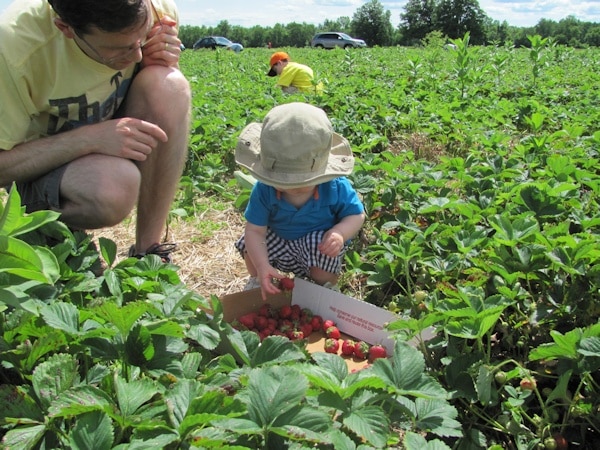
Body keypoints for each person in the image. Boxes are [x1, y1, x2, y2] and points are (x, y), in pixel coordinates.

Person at [0, 0, 191, 263]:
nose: (136, 55)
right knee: (115, 187)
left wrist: (158, 61)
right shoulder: (13, 46)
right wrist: (90, 139)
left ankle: (149, 254)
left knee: (169, 86)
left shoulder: (158, 10)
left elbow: (164, 105)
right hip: (39, 166)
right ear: (65, 28)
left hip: (112, 138)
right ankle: (44, 228)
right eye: (117, 49)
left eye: (141, 38)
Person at [234, 102, 365, 300]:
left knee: (322, 252)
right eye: (283, 182)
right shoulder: (264, 190)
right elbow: (255, 230)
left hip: (314, 245)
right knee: (250, 245)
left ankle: (324, 288)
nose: (292, 188)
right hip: (277, 239)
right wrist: (261, 265)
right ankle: (260, 278)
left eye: (302, 182)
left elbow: (356, 215)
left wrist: (339, 233)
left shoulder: (335, 186)